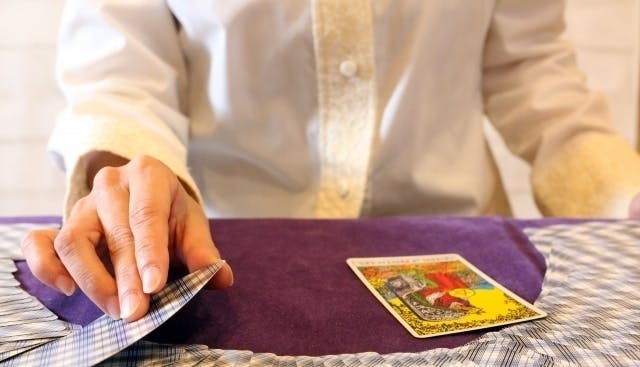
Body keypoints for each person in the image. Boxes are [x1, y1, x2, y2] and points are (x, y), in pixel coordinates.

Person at [21, 0, 640, 322]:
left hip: (463, 255)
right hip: (222, 261)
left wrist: (623, 192)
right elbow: (121, 77)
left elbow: (532, 72)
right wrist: (130, 182)